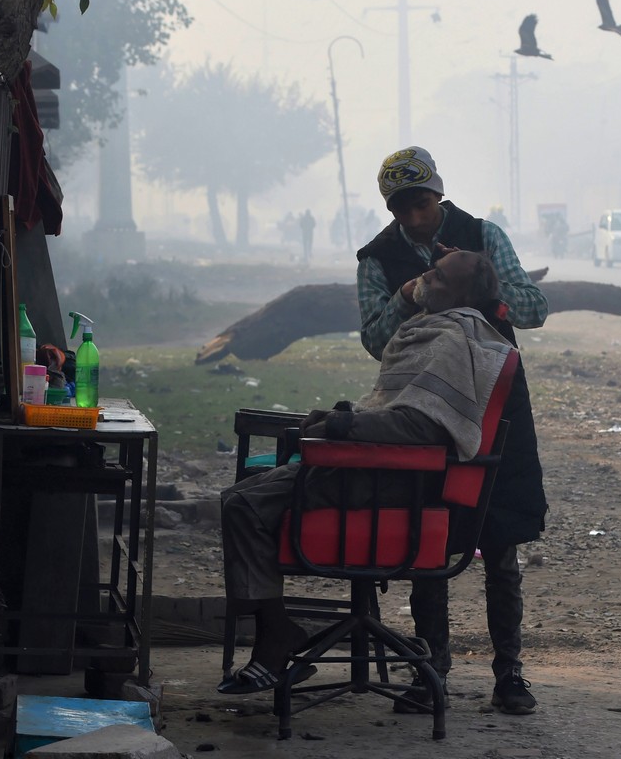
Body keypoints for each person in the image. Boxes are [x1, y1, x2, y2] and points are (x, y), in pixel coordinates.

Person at [218, 250, 510, 695]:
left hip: (391, 481)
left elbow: (422, 426)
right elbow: (402, 408)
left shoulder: (453, 340)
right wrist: (344, 416)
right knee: (243, 494)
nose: (426, 277)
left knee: (242, 504)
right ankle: (274, 631)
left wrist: (344, 426)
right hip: (378, 468)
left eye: (440, 277)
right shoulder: (431, 330)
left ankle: (275, 634)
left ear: (462, 296)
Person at [356, 146, 548, 715]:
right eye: (401, 210)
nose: (413, 219)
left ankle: (510, 672)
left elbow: (534, 308)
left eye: (421, 204)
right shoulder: (377, 258)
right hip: (424, 404)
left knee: (501, 537)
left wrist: (482, 285)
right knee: (428, 537)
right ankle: (430, 668)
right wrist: (408, 295)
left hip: (493, 397)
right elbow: (373, 340)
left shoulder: (483, 235)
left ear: (438, 193)